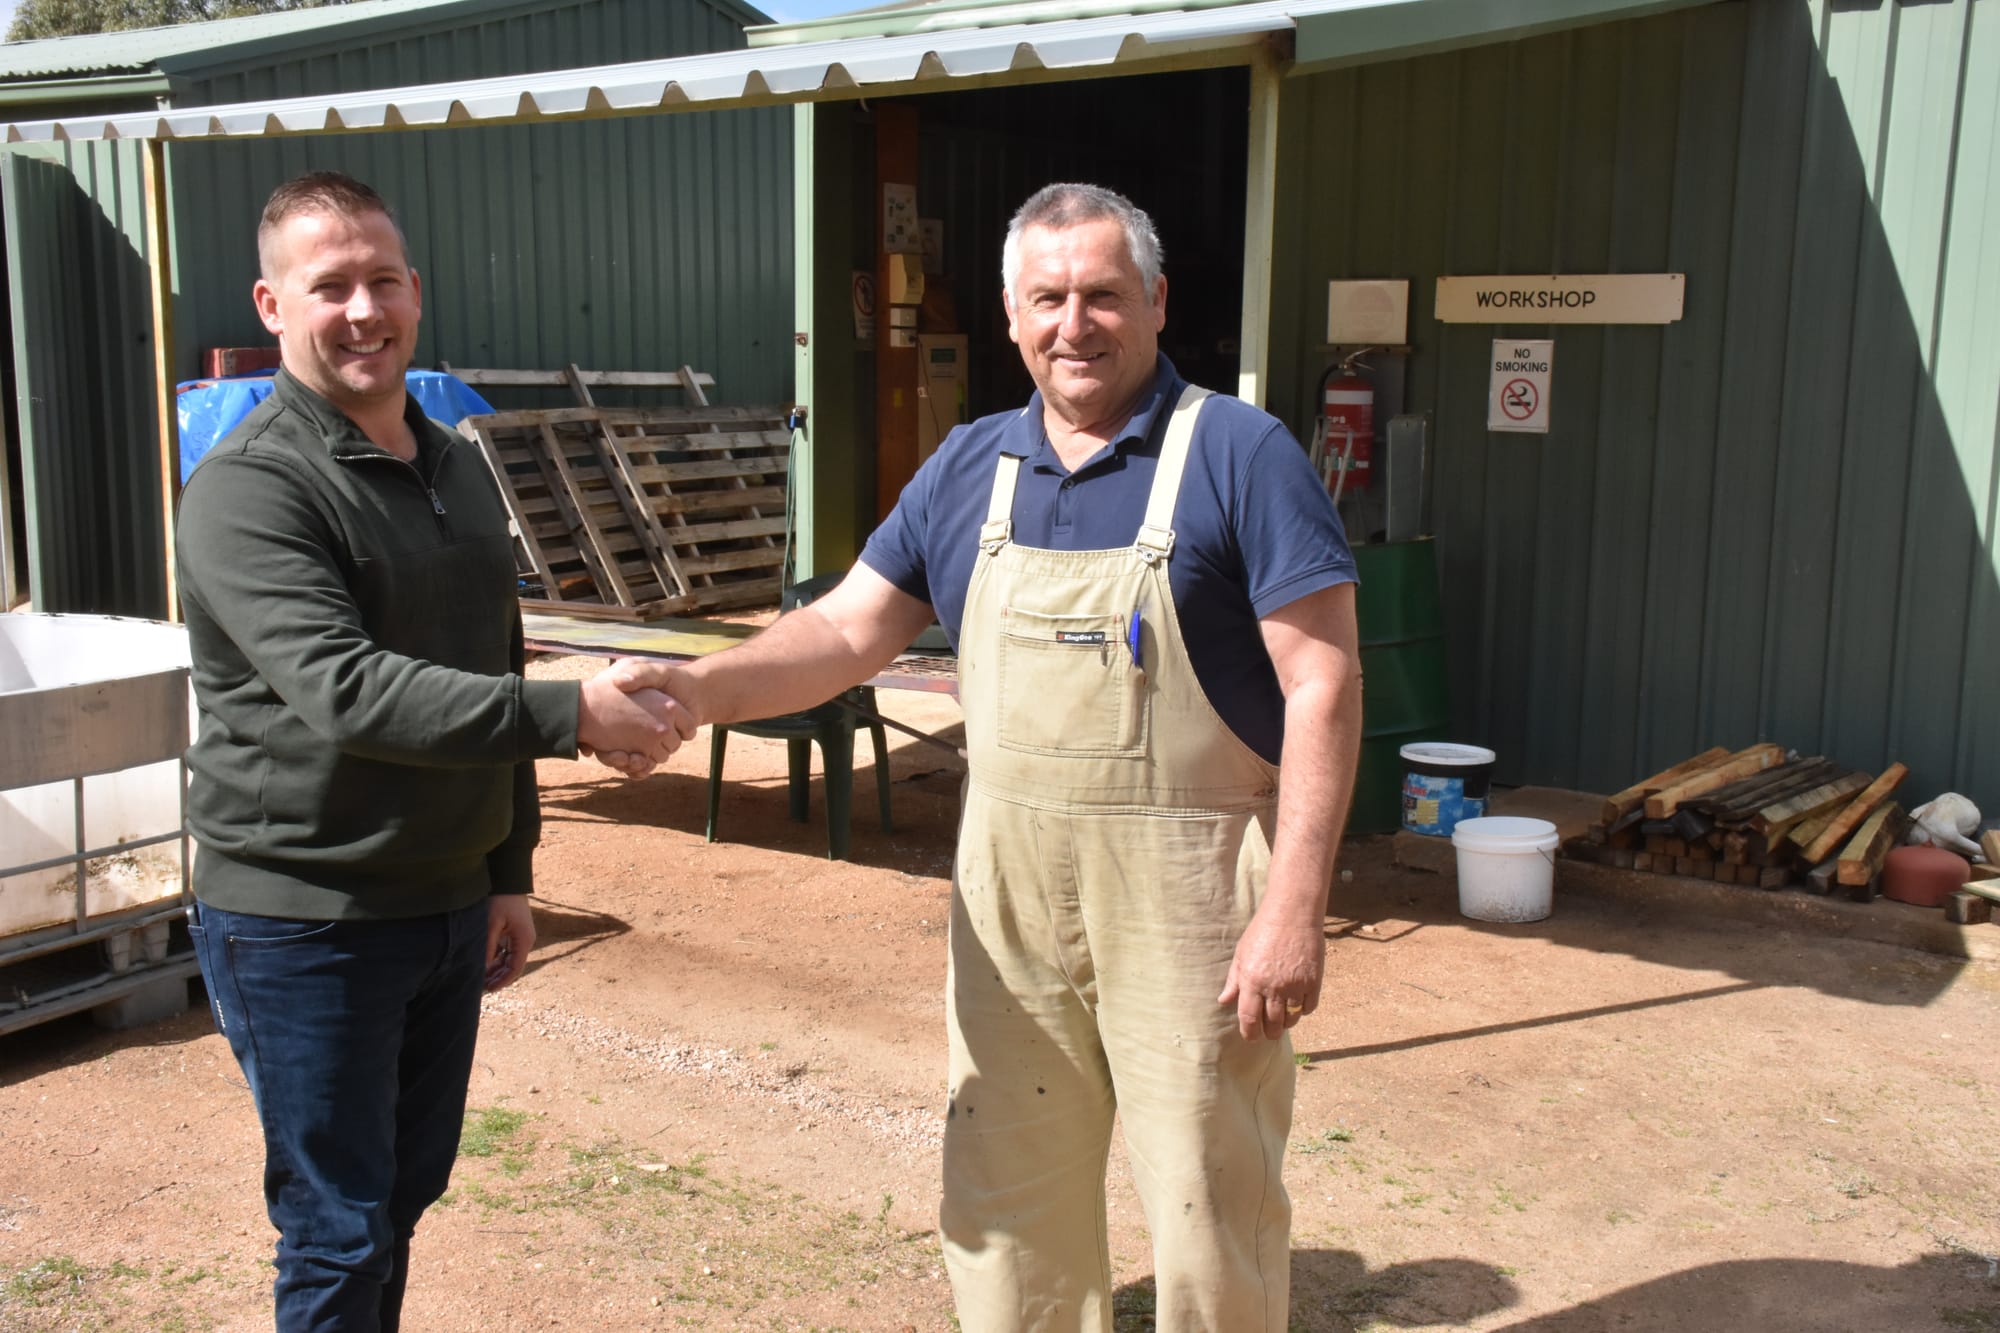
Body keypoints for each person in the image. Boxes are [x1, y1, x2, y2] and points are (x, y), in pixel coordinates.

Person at [609, 182, 1362, 1329]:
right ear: (1011, 317)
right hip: (1007, 897)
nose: (1076, 324)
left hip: (1194, 901)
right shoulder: (967, 467)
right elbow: (844, 630)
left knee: (1210, 1204)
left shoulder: (1239, 454)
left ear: (1155, 302)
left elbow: (1322, 682)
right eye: (1047, 297)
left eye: (1103, 295)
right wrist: (700, 687)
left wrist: (1294, 906)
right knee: (1008, 1200)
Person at [175, 170, 690, 1330]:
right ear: (272, 305)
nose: (363, 310)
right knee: (339, 1225)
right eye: (330, 287)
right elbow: (346, 692)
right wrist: (573, 714)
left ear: (417, 289)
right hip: (306, 914)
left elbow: (486, 651)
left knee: (402, 1196)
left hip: (447, 903)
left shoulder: (453, 462)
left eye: (382, 280)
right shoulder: (249, 489)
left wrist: (509, 869)